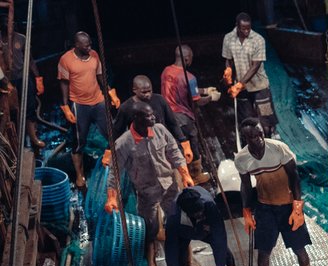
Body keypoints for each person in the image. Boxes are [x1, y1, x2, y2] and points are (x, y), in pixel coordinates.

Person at [235, 117, 317, 266]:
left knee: (301, 251)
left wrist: (298, 208)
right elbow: (246, 186)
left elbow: (294, 178)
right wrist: (246, 211)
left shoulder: (279, 148)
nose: (259, 139)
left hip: (288, 206)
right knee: (263, 256)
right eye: (253, 137)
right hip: (265, 208)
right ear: (245, 138)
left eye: (260, 134)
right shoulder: (242, 159)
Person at [104, 101, 193, 266]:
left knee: (181, 222)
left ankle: (187, 259)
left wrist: (185, 175)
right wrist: (111, 198)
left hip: (169, 185)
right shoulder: (123, 143)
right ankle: (151, 263)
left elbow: (175, 153)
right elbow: (115, 173)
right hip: (146, 191)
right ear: (136, 118)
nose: (153, 117)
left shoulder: (160, 130)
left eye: (153, 114)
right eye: (148, 116)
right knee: (150, 229)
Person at [58, 31, 120, 188]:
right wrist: (66, 106)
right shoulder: (66, 60)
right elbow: (64, 83)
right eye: (86, 46)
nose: (90, 47)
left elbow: (100, 76)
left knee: (112, 133)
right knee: (79, 141)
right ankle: (80, 175)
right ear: (77, 45)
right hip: (79, 104)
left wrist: (110, 92)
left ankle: (118, 165)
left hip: (98, 100)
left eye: (90, 45)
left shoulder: (94, 55)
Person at [166, 186, 241, 266]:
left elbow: (219, 238)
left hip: (205, 228)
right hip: (183, 231)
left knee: (227, 257)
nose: (200, 214)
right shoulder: (173, 217)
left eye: (201, 212)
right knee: (178, 262)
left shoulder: (209, 205)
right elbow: (171, 250)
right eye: (197, 214)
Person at [161, 44, 220, 183]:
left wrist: (205, 90)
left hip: (167, 116)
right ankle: (195, 175)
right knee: (192, 145)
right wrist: (211, 97)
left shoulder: (166, 71)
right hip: (183, 118)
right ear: (187, 59)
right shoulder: (189, 77)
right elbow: (197, 101)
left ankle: (180, 177)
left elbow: (184, 87)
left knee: (175, 147)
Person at [222, 12, 278, 135]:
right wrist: (228, 70)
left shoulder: (258, 40)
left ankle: (268, 142)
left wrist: (239, 85)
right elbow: (228, 59)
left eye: (249, 28)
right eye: (243, 29)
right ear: (237, 25)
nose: (247, 31)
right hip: (242, 89)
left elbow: (255, 66)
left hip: (259, 86)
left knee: (266, 120)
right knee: (247, 122)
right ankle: (251, 147)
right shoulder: (228, 38)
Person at [110, 75, 190, 162]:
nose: (147, 95)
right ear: (134, 90)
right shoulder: (126, 108)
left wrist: (184, 143)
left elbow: (172, 123)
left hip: (163, 146)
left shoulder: (159, 100)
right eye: (144, 92)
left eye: (149, 91)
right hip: (142, 150)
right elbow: (117, 130)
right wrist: (109, 150)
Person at [0, 15, 44, 148]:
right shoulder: (1, 40)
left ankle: (33, 138)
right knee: (12, 112)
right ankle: (18, 143)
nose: (9, 25)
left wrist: (37, 78)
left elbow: (29, 60)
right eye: (6, 22)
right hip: (5, 82)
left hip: (23, 79)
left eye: (11, 22)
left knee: (29, 108)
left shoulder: (21, 38)